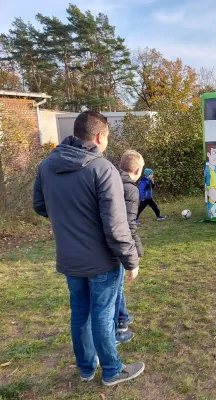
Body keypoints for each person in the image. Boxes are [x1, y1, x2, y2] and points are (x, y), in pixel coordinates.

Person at [33, 111, 145, 386]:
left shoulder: (46, 166)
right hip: (102, 262)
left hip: (70, 258)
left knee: (80, 313)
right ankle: (111, 369)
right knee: (102, 314)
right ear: (99, 136)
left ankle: (86, 368)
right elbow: (116, 227)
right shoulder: (102, 168)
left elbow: (40, 206)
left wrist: (68, 217)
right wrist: (132, 260)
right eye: (106, 136)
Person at [116, 150, 146, 344]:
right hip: (117, 242)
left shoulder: (109, 179)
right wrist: (136, 252)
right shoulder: (130, 189)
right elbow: (129, 223)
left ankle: (122, 316)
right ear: (137, 169)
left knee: (116, 286)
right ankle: (118, 327)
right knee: (115, 286)